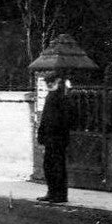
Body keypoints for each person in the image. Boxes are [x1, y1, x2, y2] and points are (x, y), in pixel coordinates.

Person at [36, 72, 70, 203]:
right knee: (49, 166)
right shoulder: (50, 96)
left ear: (58, 81)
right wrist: (42, 134)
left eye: (51, 81)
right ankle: (51, 192)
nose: (49, 84)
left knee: (58, 167)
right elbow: (45, 117)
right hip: (50, 138)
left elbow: (65, 119)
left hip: (58, 138)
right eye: (47, 82)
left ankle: (60, 195)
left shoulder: (63, 97)